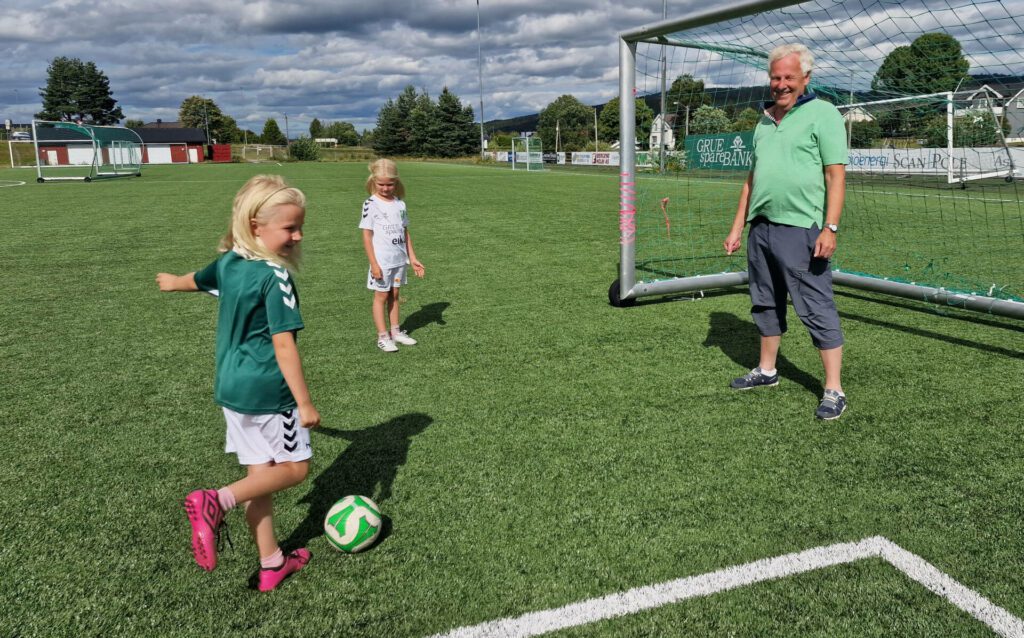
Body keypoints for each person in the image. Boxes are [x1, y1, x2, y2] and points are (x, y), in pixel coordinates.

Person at [156, 174, 322, 591]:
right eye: (290, 228)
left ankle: (272, 563)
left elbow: (200, 278)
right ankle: (216, 501)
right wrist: (303, 403)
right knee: (296, 469)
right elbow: (283, 345)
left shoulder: (230, 262)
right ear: (255, 226)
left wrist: (174, 281)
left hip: (231, 390)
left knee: (259, 482)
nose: (298, 235)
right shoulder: (274, 277)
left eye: (299, 226)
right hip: (269, 392)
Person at [723, 43, 848, 420]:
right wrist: (736, 226)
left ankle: (834, 389)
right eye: (775, 77)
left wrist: (830, 228)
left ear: (805, 79)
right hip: (761, 228)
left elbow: (835, 175)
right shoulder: (763, 121)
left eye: (788, 77)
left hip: (802, 229)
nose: (780, 84)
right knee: (764, 300)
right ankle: (767, 371)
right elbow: (751, 180)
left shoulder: (823, 114)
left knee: (814, 305)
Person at [360, 159, 425, 352]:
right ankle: (382, 336)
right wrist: (373, 264)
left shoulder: (400, 204)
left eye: (390, 184)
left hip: (398, 260)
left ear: (396, 182)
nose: (386, 188)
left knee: (395, 294)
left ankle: (395, 332)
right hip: (382, 260)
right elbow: (366, 235)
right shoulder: (370, 204)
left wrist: (412, 258)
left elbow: (404, 233)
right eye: (381, 184)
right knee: (381, 295)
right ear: (373, 181)